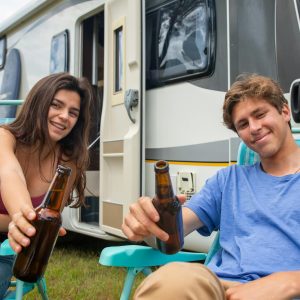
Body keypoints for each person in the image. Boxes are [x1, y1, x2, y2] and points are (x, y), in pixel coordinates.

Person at [122, 74, 300, 300]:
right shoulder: (228, 181)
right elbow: (173, 230)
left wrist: (291, 281)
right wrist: (147, 223)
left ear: (285, 112)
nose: (254, 128)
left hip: (287, 291)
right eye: (243, 124)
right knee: (174, 279)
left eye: (260, 114)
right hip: (220, 287)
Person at [0, 72, 93, 298]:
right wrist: (24, 219)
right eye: (56, 106)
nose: (64, 117)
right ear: (39, 104)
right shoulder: (5, 137)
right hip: (20, 234)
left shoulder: (69, 162)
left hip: (15, 248)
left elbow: (48, 221)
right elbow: (10, 173)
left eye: (73, 113)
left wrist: (26, 226)